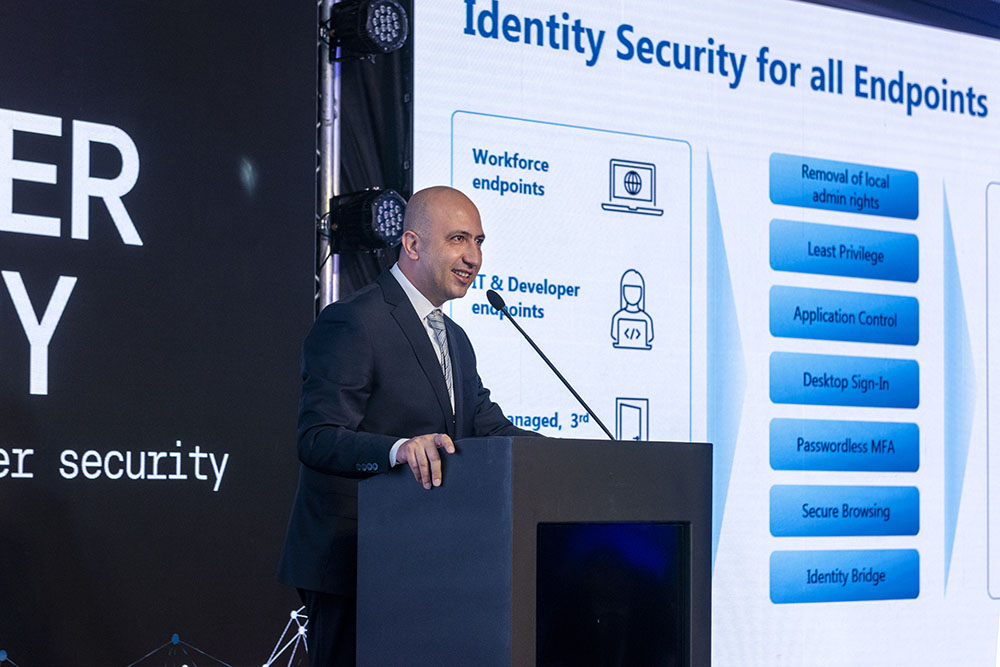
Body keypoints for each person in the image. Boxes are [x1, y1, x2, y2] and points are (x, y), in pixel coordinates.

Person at [276, 186, 539, 666]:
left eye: (479, 241)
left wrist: (569, 456)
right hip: (354, 560)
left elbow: (488, 427)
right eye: (458, 239)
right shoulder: (353, 321)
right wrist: (397, 449)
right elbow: (318, 438)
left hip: (426, 559)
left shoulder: (455, 338)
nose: (474, 257)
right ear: (413, 244)